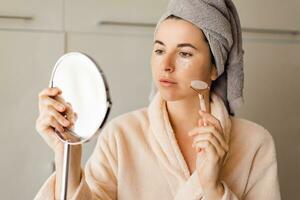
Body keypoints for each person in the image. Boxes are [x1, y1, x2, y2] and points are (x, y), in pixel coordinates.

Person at [34, 0, 281, 199]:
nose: (166, 65)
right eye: (160, 50)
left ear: (215, 67)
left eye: (184, 53)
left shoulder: (255, 143)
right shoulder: (121, 135)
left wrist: (213, 190)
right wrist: (67, 151)